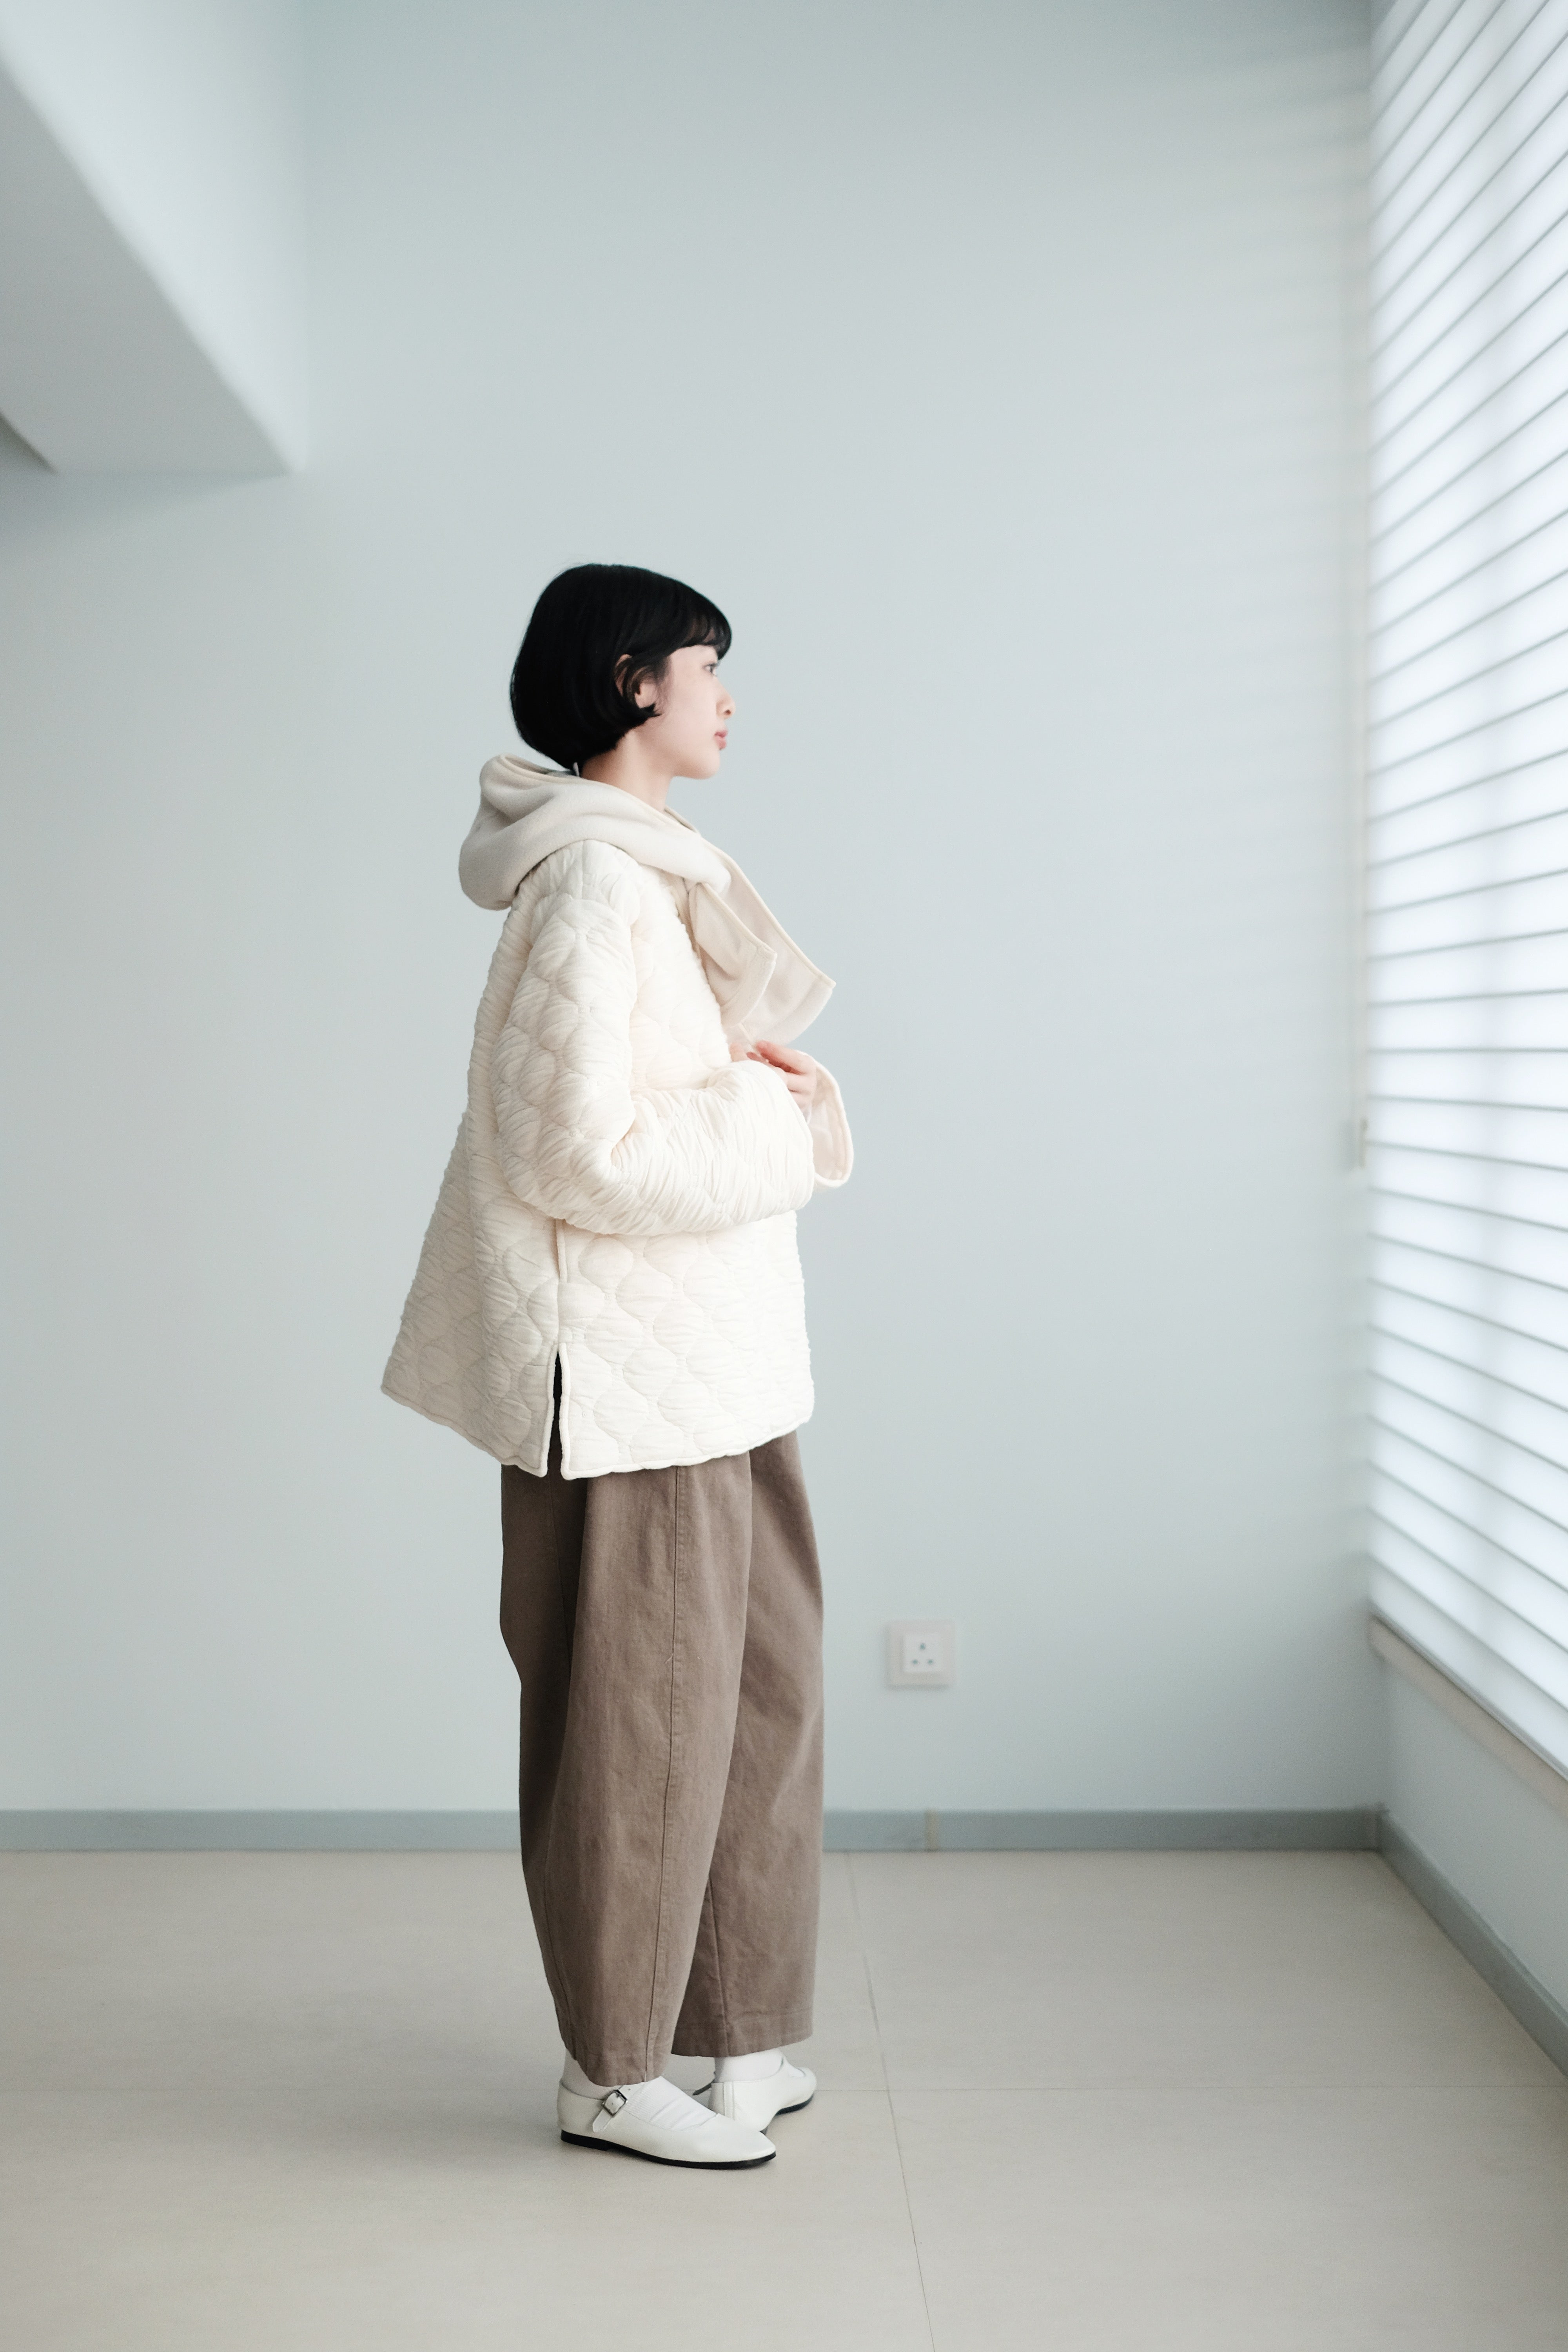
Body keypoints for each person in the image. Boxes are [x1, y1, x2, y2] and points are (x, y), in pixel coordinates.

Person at [383, 563, 852, 2169]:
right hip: (633, 1387)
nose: (730, 700)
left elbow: (657, 1105)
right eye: (711, 668)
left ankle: (737, 2033)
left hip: (717, 1367)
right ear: (638, 680)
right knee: (644, 1727)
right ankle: (610, 2068)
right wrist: (766, 1112)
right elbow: (574, 1151)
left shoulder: (648, 873)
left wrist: (758, 1088)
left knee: (756, 1700)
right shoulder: (591, 884)